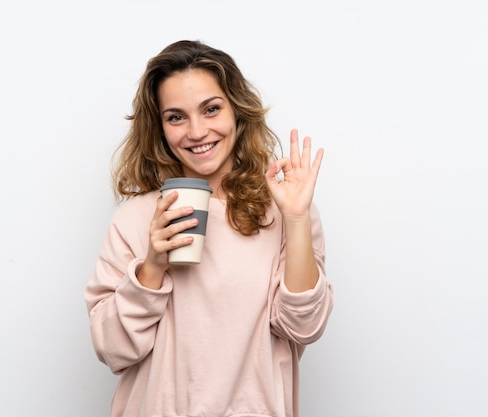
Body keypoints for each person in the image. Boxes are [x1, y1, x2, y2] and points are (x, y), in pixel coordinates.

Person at [85, 39, 333, 417]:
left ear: (237, 111)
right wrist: (152, 265)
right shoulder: (135, 219)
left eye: (211, 109)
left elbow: (304, 327)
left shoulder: (286, 211)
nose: (197, 131)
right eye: (176, 117)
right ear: (161, 127)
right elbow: (113, 349)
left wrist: (296, 219)